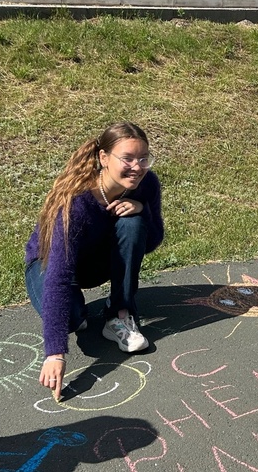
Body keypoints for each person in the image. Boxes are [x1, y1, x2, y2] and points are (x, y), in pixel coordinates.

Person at [25, 122, 164, 397]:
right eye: (127, 159)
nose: (137, 167)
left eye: (143, 158)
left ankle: (120, 315)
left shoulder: (147, 184)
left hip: (97, 262)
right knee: (71, 321)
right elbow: (59, 276)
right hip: (48, 265)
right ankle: (77, 316)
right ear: (103, 158)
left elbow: (153, 240)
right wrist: (55, 353)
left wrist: (142, 210)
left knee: (133, 224)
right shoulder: (75, 203)